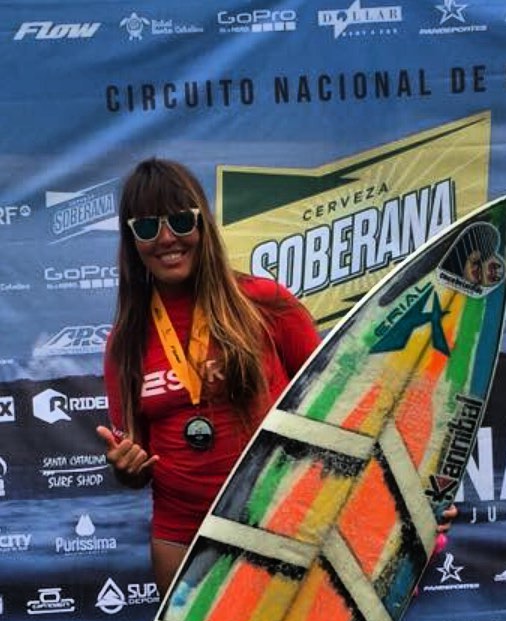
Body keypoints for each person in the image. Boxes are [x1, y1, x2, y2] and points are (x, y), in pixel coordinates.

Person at [97, 157, 456, 597]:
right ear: (132, 240)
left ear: (203, 224)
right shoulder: (126, 341)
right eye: (148, 227)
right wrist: (126, 468)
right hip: (183, 538)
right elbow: (137, 466)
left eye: (179, 220)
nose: (167, 238)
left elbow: (346, 409)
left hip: (285, 523)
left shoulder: (264, 304)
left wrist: (404, 501)